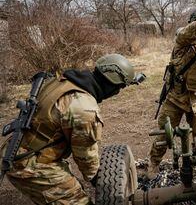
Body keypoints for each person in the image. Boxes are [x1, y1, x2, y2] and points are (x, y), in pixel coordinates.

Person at [1, 53, 142, 205]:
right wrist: (105, 184)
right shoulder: (84, 109)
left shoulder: (64, 81)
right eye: (119, 88)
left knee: (74, 187)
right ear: (111, 85)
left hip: (20, 148)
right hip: (30, 165)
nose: (117, 93)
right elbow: (86, 159)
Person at [148, 4, 196, 177]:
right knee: (163, 136)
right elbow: (186, 33)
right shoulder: (183, 39)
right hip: (176, 97)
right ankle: (153, 163)